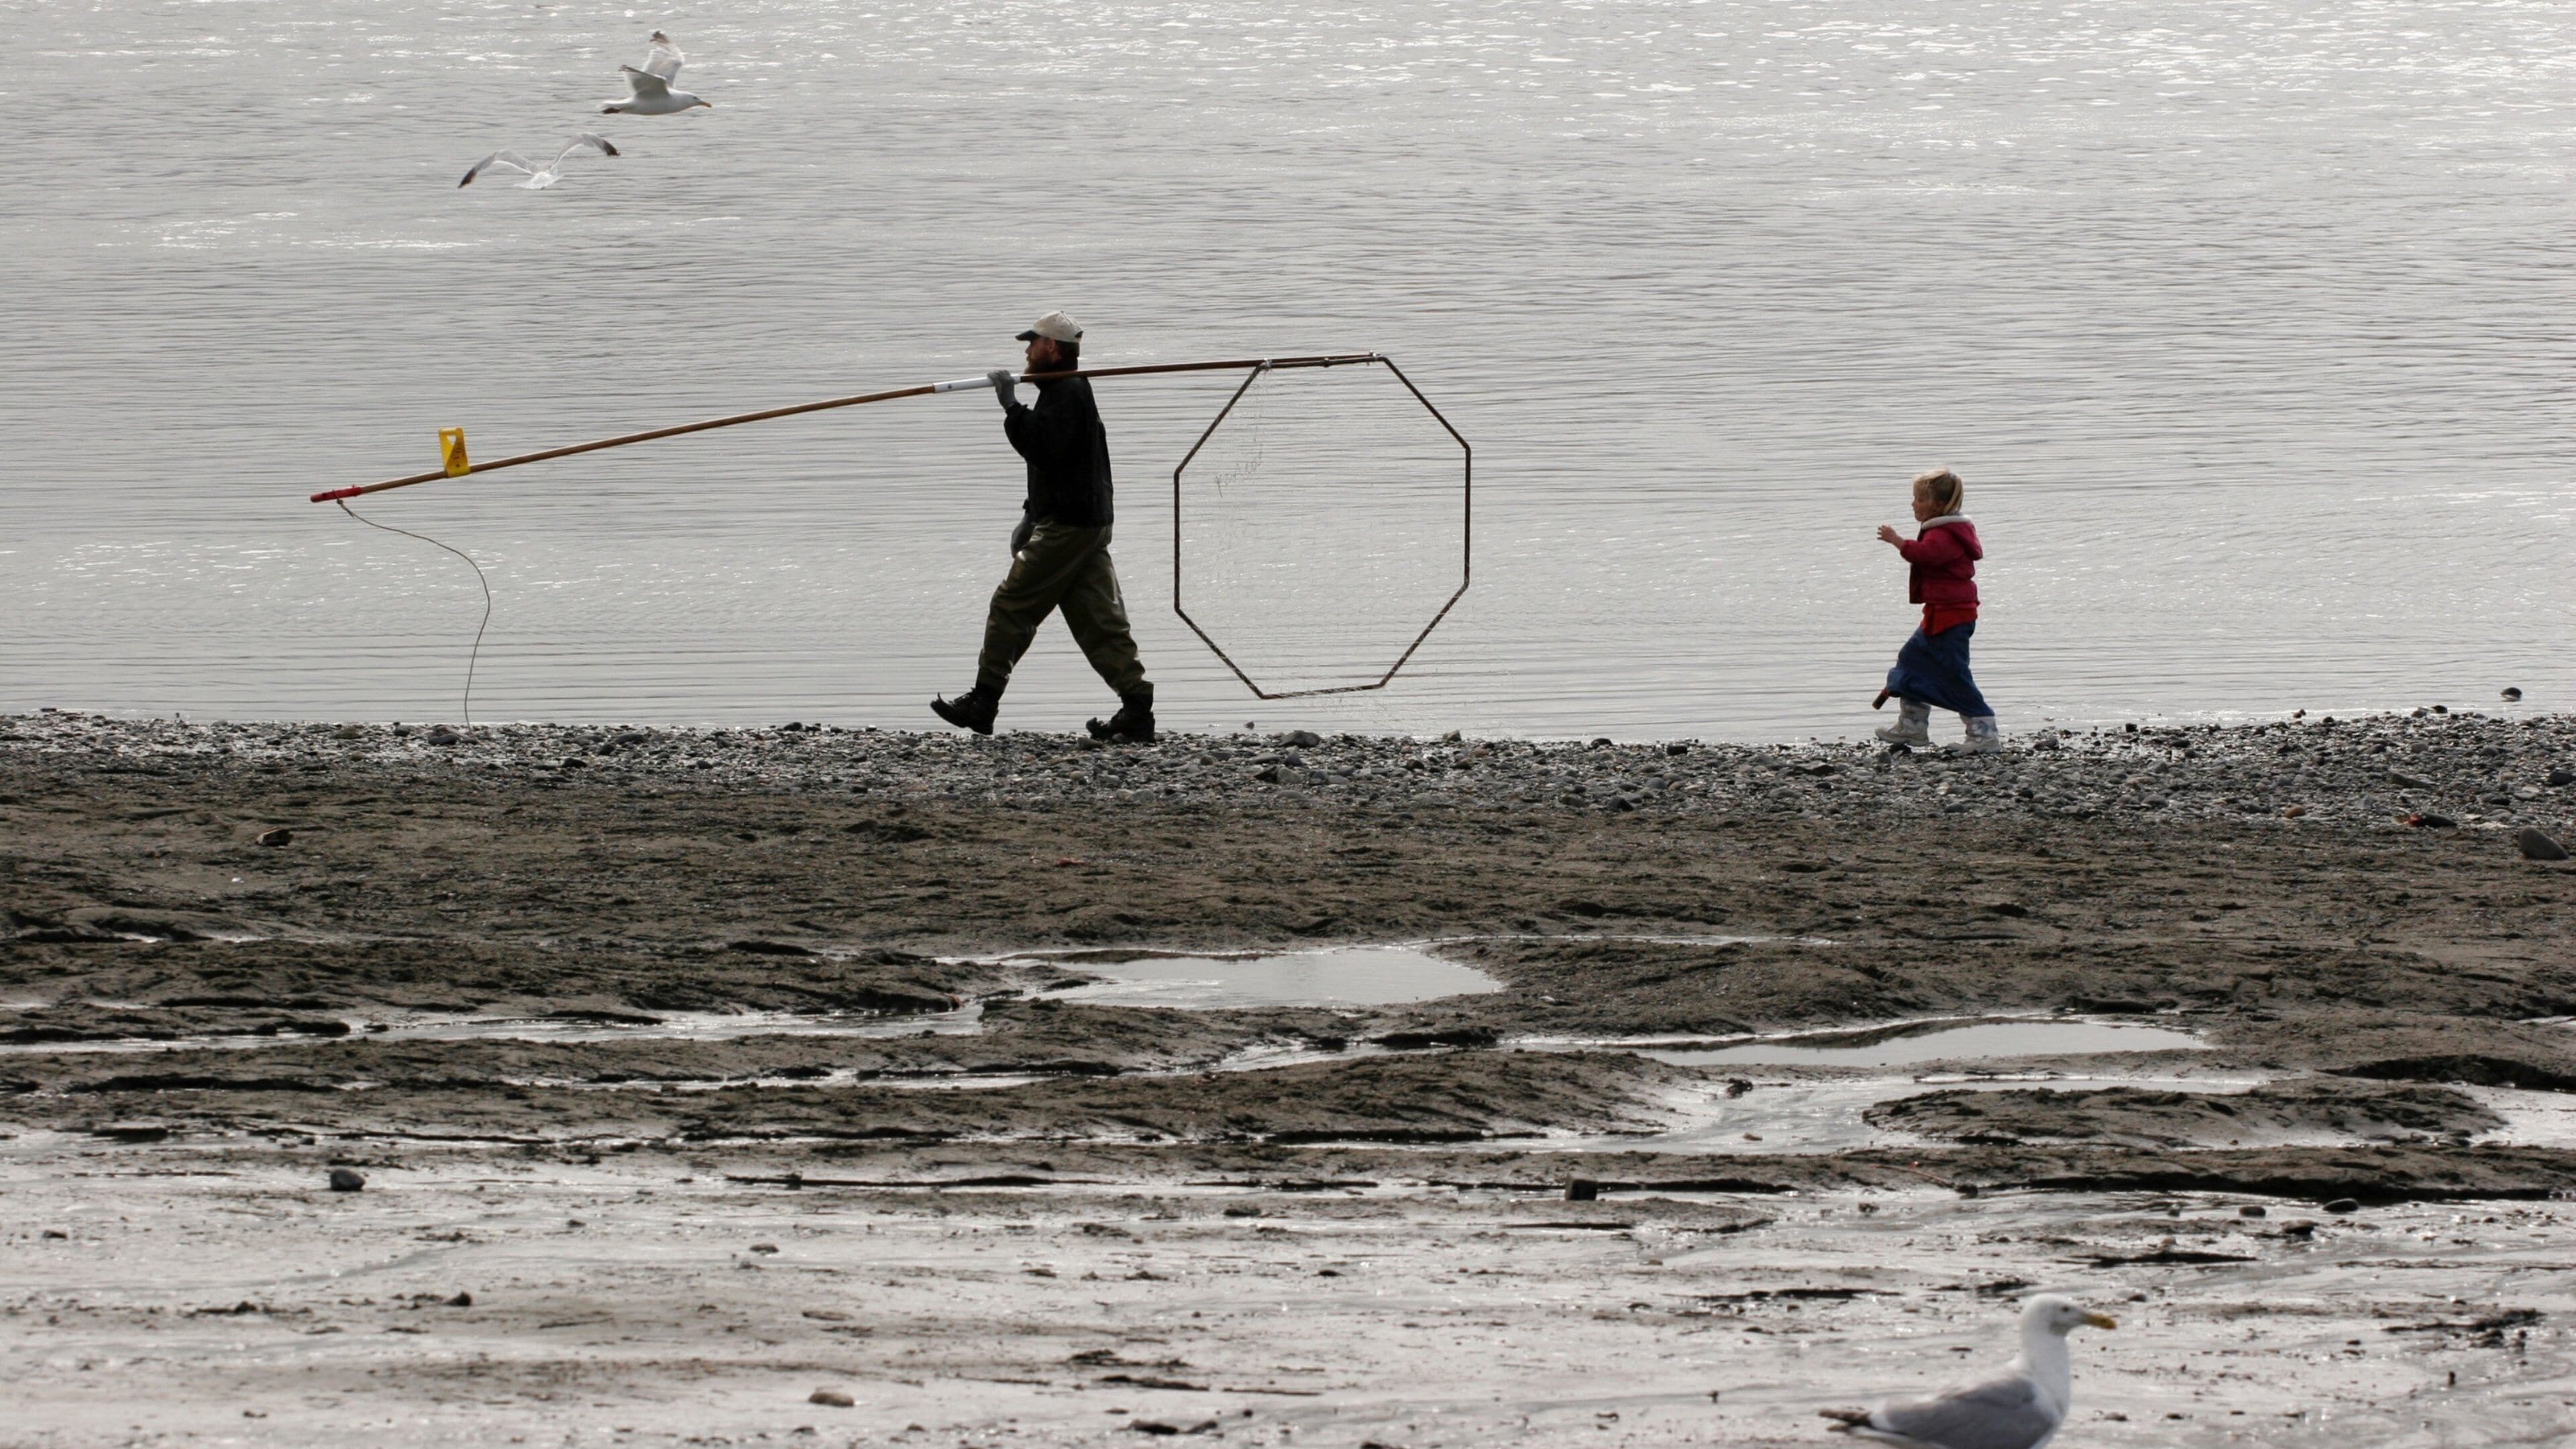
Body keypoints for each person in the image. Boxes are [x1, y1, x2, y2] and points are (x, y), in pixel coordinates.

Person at [930, 311, 1156, 743]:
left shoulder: (1068, 392)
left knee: (1012, 605)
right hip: (1085, 521)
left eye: (1032, 344)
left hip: (1070, 525)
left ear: (1051, 347)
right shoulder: (1066, 391)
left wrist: (1011, 405)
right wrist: (1031, 513)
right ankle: (1137, 710)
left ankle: (983, 702)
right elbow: (1062, 465)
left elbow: (1042, 447)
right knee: (1099, 619)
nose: (1027, 351)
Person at [1872, 468, 1998, 752]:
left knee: (1954, 673)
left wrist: (1898, 541)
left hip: (1953, 616)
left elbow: (1926, 556)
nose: (1913, 504)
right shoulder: (1943, 530)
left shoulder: (1946, 535)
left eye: (1919, 499)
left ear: (1938, 505)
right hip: (1940, 612)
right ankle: (1912, 726)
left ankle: (1984, 733)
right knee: (1912, 659)